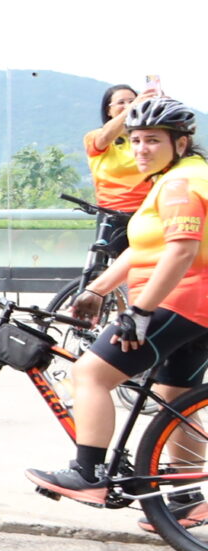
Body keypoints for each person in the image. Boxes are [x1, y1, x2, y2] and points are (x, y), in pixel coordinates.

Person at [31, 95, 208, 503]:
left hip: (179, 301)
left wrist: (141, 311)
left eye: (153, 141)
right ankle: (186, 501)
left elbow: (181, 250)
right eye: (136, 141)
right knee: (175, 402)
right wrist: (97, 290)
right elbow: (141, 249)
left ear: (180, 144)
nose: (141, 150)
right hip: (196, 307)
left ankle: (87, 472)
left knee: (90, 374)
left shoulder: (180, 185)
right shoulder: (173, 178)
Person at [83, 81, 154, 260]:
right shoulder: (95, 136)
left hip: (147, 212)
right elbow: (104, 138)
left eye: (132, 100)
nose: (128, 105)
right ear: (108, 110)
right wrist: (133, 108)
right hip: (111, 216)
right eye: (121, 102)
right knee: (104, 272)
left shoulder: (145, 139)